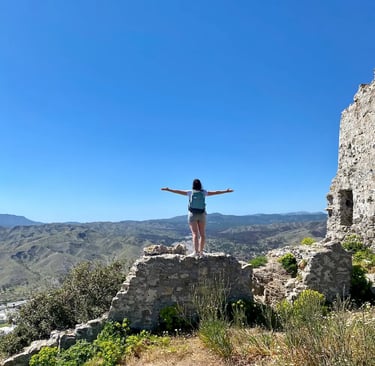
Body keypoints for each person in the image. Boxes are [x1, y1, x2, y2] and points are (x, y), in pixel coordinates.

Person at [161, 179, 234, 258]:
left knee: (195, 234)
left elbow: (178, 191)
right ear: (200, 185)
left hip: (192, 214)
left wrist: (168, 189)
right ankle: (201, 252)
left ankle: (195, 252)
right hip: (202, 214)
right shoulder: (204, 192)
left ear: (193, 185)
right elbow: (216, 192)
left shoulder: (190, 192)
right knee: (202, 234)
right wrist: (226, 191)